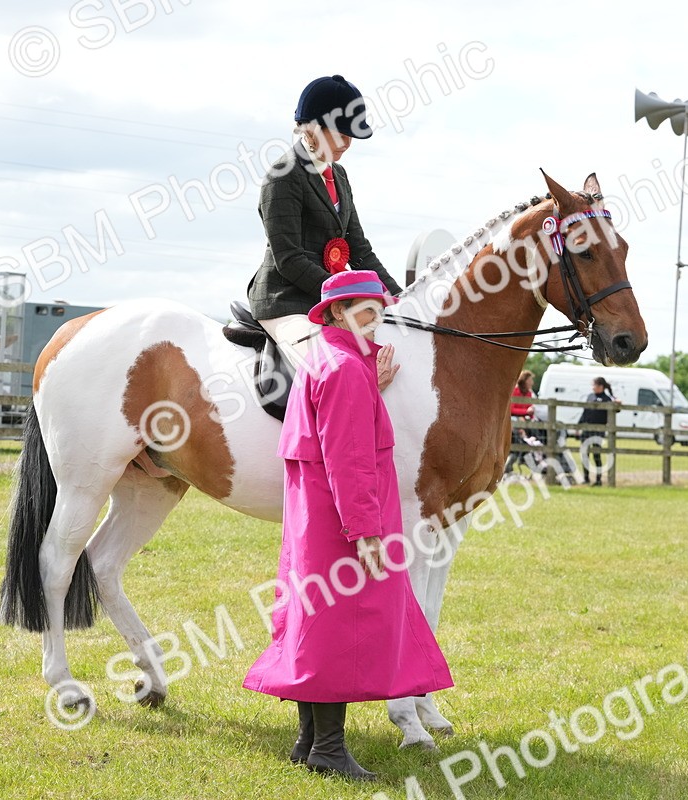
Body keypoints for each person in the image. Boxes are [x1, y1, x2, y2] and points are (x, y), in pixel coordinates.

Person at [243, 270, 453, 782]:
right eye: (363, 308)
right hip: (343, 517)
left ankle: (309, 741)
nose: (374, 317)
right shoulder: (343, 369)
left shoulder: (326, 360)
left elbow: (337, 429)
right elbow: (349, 458)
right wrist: (365, 532)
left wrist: (369, 385)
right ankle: (329, 750)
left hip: (315, 514)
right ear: (336, 312)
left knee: (312, 620)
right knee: (337, 626)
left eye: (379, 308)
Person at [247, 75, 403, 366]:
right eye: (340, 133)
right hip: (286, 301)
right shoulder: (283, 175)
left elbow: (359, 250)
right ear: (313, 129)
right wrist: (345, 298)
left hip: (333, 302)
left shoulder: (339, 176)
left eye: (351, 135)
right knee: (329, 365)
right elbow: (289, 258)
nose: (347, 143)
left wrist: (399, 297)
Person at [577, 377, 617, 485]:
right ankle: (586, 478)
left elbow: (616, 409)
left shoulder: (607, 399)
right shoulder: (590, 396)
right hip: (587, 429)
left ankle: (598, 479)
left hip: (598, 430)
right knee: (584, 454)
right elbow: (585, 412)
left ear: (601, 386)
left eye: (594, 385)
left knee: (596, 454)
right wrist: (578, 425)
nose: (593, 387)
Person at [506, 371, 537, 474]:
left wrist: (529, 414)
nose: (532, 382)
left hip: (524, 421)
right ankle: (519, 461)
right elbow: (511, 409)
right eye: (530, 380)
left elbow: (530, 410)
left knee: (536, 433)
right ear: (524, 381)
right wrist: (525, 413)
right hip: (513, 420)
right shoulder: (515, 391)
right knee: (518, 440)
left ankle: (529, 460)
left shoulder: (529, 393)